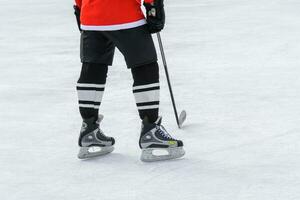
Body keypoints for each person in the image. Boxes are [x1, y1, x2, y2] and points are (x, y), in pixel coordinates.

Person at [73, 0, 185, 162]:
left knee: (93, 69)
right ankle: (151, 131)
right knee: (145, 66)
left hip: (91, 16)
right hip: (125, 14)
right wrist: (153, 7)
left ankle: (88, 129)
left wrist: (79, 8)